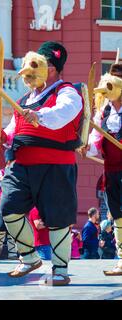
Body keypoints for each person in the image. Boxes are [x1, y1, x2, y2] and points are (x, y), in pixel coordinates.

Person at [0, 41, 84, 286]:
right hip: (21, 165)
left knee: (57, 218)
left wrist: (39, 116)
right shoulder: (23, 100)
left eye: (35, 66)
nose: (26, 73)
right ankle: (29, 257)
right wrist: (3, 136)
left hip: (55, 164)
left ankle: (60, 269)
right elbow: (14, 130)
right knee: (8, 208)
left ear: (51, 68)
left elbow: (62, 115)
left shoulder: (66, 92)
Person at [85, 63, 122, 275]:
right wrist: (86, 147)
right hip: (111, 172)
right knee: (118, 216)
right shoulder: (103, 113)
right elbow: (95, 141)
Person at [0, 151, 17, 259]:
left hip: (13, 203)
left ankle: (13, 253)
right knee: (1, 227)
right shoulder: (0, 172)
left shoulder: (18, 173)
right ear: (8, 162)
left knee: (12, 229)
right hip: (0, 203)